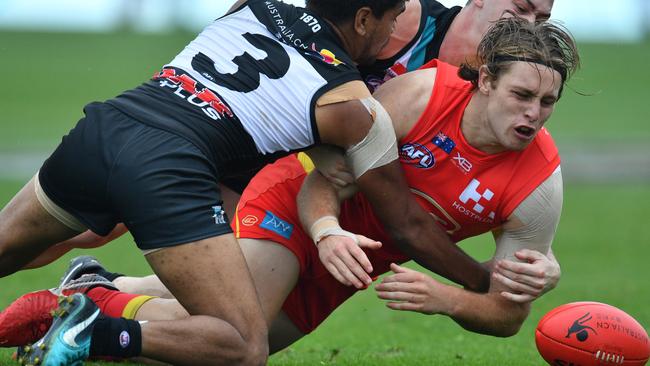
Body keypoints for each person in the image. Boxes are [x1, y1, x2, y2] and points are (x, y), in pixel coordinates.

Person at [1, 16, 578, 358]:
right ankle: (88, 325)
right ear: (481, 82)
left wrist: (451, 299)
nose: (533, 114)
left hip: (348, 269)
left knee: (202, 350)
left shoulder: (538, 185)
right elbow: (325, 181)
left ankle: (92, 299)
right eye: (521, 96)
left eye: (547, 102)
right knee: (235, 340)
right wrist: (326, 231)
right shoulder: (421, 96)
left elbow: (508, 315)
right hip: (296, 204)